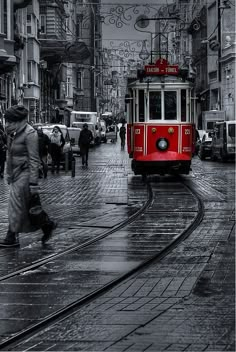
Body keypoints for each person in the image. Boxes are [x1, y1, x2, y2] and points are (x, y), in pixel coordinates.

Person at [0, 105, 57, 248]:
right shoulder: (12, 134)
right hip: (16, 174)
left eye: (10, 122)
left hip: (25, 174)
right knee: (25, 207)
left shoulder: (29, 133)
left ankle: (11, 236)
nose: (7, 125)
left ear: (18, 121)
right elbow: (10, 155)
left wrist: (33, 183)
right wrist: (8, 173)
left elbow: (34, 159)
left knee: (15, 206)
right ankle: (47, 225)